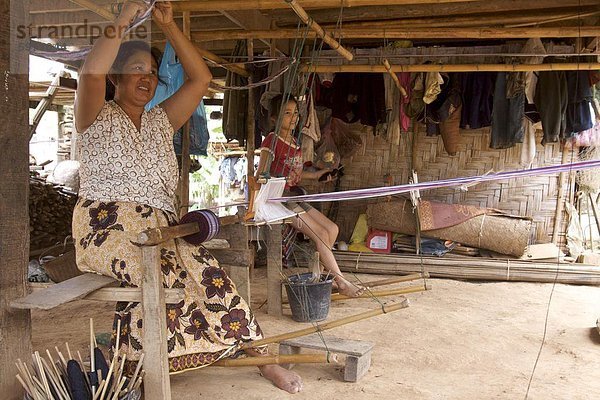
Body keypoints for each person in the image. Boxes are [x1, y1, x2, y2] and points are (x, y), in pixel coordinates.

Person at [72, 1, 302, 393]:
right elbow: (88, 72)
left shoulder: (162, 120)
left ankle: (261, 359)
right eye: (136, 70)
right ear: (116, 77)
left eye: (151, 73)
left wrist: (170, 26)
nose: (146, 79)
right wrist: (125, 20)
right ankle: (138, 365)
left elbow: (200, 78)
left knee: (212, 276)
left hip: (160, 228)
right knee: (156, 275)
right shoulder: (94, 114)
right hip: (107, 226)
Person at [257, 94, 363, 298]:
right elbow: (262, 172)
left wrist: (316, 175)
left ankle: (323, 277)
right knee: (321, 235)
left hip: (292, 196)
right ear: (274, 118)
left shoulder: (294, 141)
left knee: (332, 229)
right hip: (278, 200)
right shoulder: (272, 140)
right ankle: (340, 281)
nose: (293, 117)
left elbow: (296, 174)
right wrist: (269, 177)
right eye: (287, 113)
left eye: (295, 112)